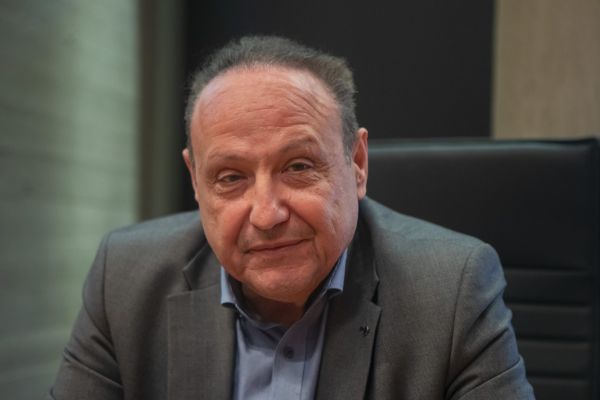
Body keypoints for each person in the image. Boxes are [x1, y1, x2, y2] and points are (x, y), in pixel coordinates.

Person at [48, 36, 534, 399]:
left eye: (298, 167)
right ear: (195, 181)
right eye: (230, 177)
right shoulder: (125, 279)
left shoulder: (452, 290)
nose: (266, 214)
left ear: (357, 164)